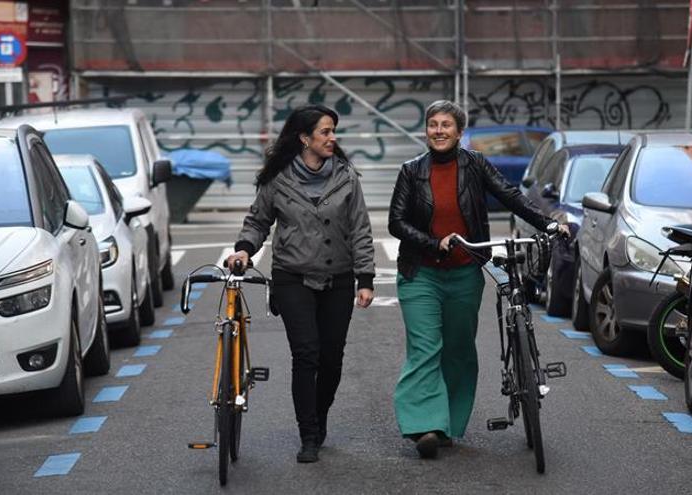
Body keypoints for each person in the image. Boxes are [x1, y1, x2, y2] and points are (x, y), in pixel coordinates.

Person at [388, 100, 567, 459]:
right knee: (426, 350)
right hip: (420, 272)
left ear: (459, 132)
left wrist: (547, 223)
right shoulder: (411, 171)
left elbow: (510, 196)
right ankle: (425, 426)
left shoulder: (475, 164)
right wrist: (432, 243)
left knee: (458, 351)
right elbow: (397, 222)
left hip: (465, 273)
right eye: (433, 124)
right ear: (426, 130)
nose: (439, 131)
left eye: (446, 125)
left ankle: (448, 425)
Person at [227, 104, 375, 463]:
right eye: (325, 132)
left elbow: (359, 229)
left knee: (332, 360)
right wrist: (244, 251)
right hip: (292, 277)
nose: (332, 138)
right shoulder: (277, 179)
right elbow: (257, 221)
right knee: (306, 354)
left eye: (333, 131)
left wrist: (365, 277)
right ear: (305, 138)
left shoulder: (346, 176)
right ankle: (308, 434)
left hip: (338, 278)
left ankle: (319, 415)